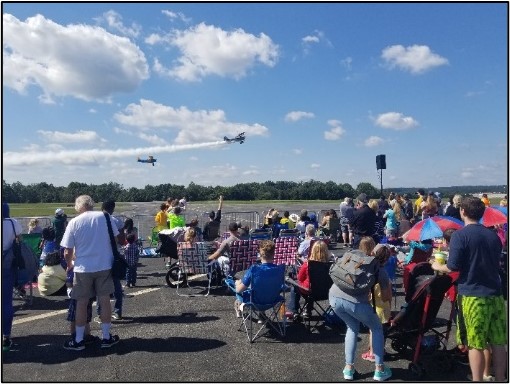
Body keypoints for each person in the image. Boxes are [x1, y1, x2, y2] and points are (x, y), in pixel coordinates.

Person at [431, 196, 506, 382]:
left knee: (475, 343)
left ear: (462, 211)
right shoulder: (494, 236)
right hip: (495, 294)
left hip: (473, 295)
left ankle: (477, 378)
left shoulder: (459, 235)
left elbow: (452, 266)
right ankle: (502, 378)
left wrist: (436, 266)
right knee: (498, 341)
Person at [60, 195, 120, 350]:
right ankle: (106, 337)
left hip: (82, 268)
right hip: (104, 266)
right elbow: (119, 238)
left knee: (81, 302)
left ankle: (79, 339)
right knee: (105, 300)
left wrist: (68, 264)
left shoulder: (74, 222)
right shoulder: (105, 217)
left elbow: (67, 251)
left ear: (77, 206)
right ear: (92, 205)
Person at [329, 245, 392, 381]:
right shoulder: (380, 271)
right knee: (376, 328)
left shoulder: (359, 257)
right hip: (355, 303)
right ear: (387, 260)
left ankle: (349, 368)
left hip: (334, 296)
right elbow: (386, 297)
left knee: (352, 327)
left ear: (372, 252)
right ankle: (379, 369)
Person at [231, 240, 278, 319]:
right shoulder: (279, 269)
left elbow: (239, 290)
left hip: (255, 303)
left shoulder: (254, 270)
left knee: (238, 288)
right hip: (272, 301)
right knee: (265, 288)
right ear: (274, 254)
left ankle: (239, 309)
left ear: (259, 254)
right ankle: (262, 315)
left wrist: (237, 284)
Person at [362, 244, 392, 363]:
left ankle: (372, 352)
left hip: (374, 306)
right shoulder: (383, 274)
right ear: (386, 259)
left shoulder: (370, 270)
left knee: (373, 332)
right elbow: (386, 297)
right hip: (383, 308)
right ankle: (378, 351)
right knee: (380, 332)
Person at [288, 240, 330, 319]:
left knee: (295, 285)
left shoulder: (307, 264)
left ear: (312, 251)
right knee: (313, 285)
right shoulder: (330, 264)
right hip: (326, 292)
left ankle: (294, 311)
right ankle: (308, 310)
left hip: (310, 291)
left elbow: (300, 278)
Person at [98, 199, 125, 321]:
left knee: (101, 287)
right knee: (117, 286)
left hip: (100, 257)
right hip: (113, 256)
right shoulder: (117, 221)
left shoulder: (96, 220)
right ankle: (117, 311)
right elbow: (122, 239)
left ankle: (100, 312)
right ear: (112, 208)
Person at [2, 202, 23, 351]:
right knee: (6, 302)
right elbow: (18, 240)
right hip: (7, 264)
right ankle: (6, 336)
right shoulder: (12, 223)